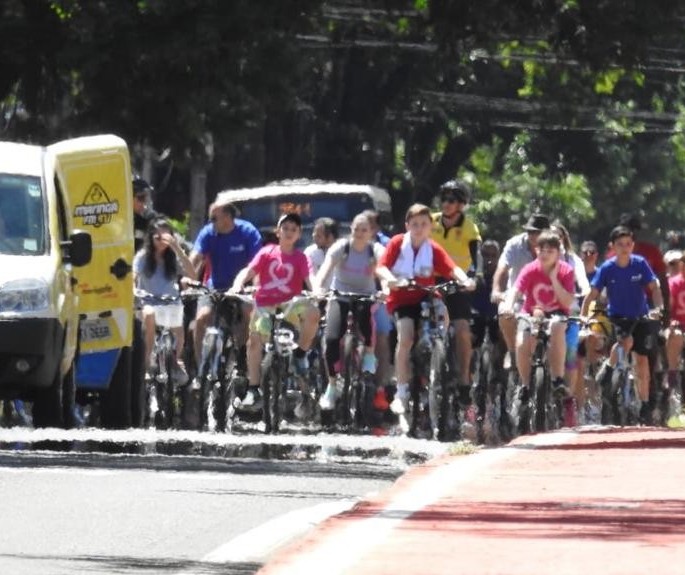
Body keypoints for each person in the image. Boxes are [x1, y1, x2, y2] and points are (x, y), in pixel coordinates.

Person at [375, 203, 475, 420]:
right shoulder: (397, 243)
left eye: (423, 224)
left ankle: (440, 360)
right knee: (406, 336)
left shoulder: (434, 248)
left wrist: (465, 279)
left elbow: (451, 267)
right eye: (415, 224)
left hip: (427, 296)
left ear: (430, 226)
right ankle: (401, 393)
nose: (419, 228)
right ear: (407, 225)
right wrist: (390, 279)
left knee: (444, 317)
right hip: (402, 299)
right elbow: (381, 266)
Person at [230, 213, 320, 411]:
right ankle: (254, 388)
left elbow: (310, 277)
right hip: (265, 305)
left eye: (293, 230)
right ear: (278, 231)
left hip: (291, 306)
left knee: (313, 312)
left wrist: (317, 291)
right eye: (285, 228)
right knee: (253, 340)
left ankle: (300, 353)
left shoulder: (301, 257)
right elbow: (249, 271)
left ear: (298, 235)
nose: (289, 232)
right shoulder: (266, 252)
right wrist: (238, 284)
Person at [581, 225, 664, 420]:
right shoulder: (607, 268)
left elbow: (654, 287)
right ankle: (609, 367)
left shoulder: (640, 264)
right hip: (618, 317)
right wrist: (585, 315)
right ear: (613, 246)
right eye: (620, 244)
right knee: (625, 341)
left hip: (641, 316)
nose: (625, 248)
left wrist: (658, 309)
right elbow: (592, 294)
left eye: (628, 244)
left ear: (633, 245)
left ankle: (644, 403)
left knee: (642, 360)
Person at [314, 213, 386, 411]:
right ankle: (331, 385)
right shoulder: (341, 247)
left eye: (364, 230)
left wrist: (385, 290)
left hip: (366, 295)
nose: (360, 233)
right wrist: (319, 288)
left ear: (371, 232)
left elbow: (383, 269)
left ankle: (369, 354)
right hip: (341, 295)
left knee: (366, 319)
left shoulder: (375, 249)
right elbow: (325, 269)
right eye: (356, 229)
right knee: (331, 338)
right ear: (351, 230)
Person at [189, 201, 262, 380]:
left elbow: (258, 265)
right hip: (215, 287)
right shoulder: (208, 232)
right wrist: (188, 277)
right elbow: (195, 258)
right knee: (201, 318)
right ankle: (200, 367)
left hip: (242, 288)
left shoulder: (248, 232)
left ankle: (242, 359)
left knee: (248, 314)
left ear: (228, 217)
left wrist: (256, 289)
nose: (211, 221)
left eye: (214, 217)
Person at [501, 230, 575, 397]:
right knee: (521, 341)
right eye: (542, 250)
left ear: (558, 253)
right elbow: (516, 290)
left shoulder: (567, 271)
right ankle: (526, 385)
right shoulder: (530, 269)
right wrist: (508, 305)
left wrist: (554, 279)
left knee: (557, 327)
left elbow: (567, 302)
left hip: (557, 313)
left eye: (550, 251)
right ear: (536, 250)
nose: (545, 254)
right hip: (531, 313)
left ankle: (557, 379)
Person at [431, 179, 482, 403]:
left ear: (461, 204)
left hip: (457, 281)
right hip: (429, 280)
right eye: (444, 199)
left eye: (452, 200)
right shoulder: (429, 221)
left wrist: (476, 277)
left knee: (461, 328)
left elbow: (477, 254)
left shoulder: (469, 226)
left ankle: (463, 379)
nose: (446, 204)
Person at [133, 218, 196, 382]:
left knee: (179, 322)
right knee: (149, 314)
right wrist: (134, 290)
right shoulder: (142, 257)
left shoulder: (173, 258)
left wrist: (177, 248)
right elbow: (133, 277)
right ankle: (147, 363)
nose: (162, 241)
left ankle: (176, 359)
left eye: (166, 236)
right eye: (158, 237)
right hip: (148, 302)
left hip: (170, 303)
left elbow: (192, 275)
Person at [491, 213, 551, 372]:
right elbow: (501, 270)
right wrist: (496, 290)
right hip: (517, 298)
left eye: (537, 232)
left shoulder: (556, 247)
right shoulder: (514, 244)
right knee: (504, 314)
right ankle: (512, 351)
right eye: (530, 231)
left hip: (545, 300)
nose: (533, 236)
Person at [664, 251, 685, 391]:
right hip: (677, 325)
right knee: (675, 336)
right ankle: (671, 376)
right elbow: (668, 308)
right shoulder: (674, 283)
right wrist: (669, 322)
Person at [132, 175, 159, 253]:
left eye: (146, 199)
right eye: (141, 198)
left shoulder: (149, 219)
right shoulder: (117, 220)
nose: (144, 204)